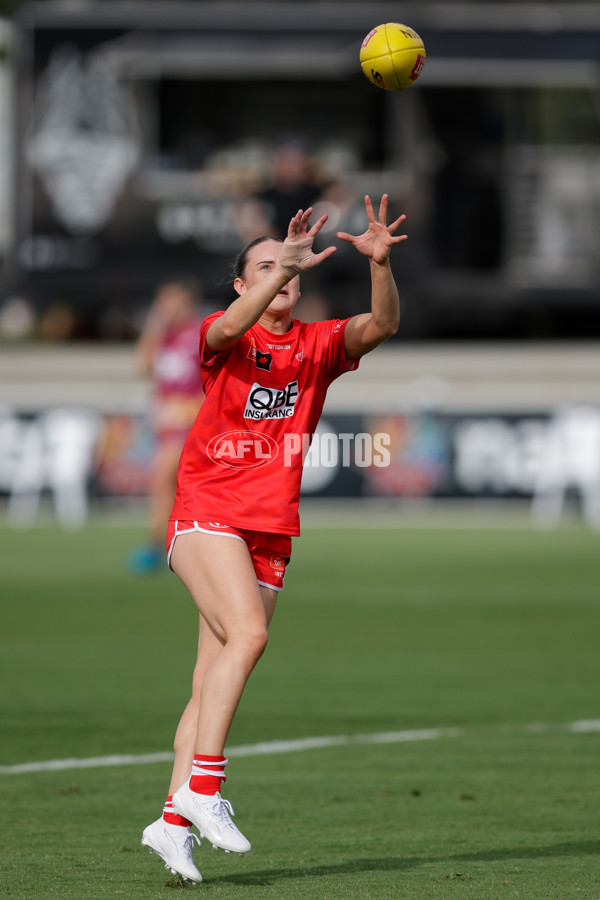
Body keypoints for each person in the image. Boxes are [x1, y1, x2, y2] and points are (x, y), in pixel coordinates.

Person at [141, 195, 407, 883]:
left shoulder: (317, 345)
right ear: (242, 282)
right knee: (250, 638)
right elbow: (232, 322)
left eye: (287, 267)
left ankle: (171, 825)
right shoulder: (222, 333)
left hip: (271, 527)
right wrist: (273, 266)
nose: (281, 274)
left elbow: (381, 324)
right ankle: (204, 789)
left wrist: (378, 265)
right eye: (263, 267)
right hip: (207, 512)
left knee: (210, 683)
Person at [127, 280, 205, 574]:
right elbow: (142, 367)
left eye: (171, 301)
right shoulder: (164, 337)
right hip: (165, 426)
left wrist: (186, 410)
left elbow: (213, 381)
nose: (165, 308)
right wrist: (153, 328)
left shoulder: (200, 333)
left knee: (163, 480)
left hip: (190, 426)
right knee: (169, 487)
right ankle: (171, 548)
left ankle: (155, 546)